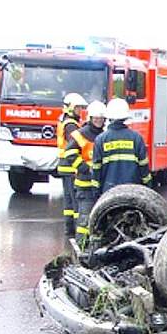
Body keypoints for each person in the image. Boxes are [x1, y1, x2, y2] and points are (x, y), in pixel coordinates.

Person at [58, 101, 106, 243]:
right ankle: (81, 247)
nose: (98, 121)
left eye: (101, 118)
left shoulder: (104, 135)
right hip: (84, 183)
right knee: (84, 220)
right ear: (90, 118)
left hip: (99, 184)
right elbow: (70, 153)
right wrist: (84, 168)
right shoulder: (80, 134)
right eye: (96, 118)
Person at [91, 98, 151, 197]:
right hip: (133, 190)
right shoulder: (136, 138)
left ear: (109, 117)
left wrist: (96, 193)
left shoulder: (100, 140)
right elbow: (144, 167)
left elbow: (96, 169)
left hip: (108, 192)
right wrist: (147, 187)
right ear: (125, 117)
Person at [56, 93, 87, 236]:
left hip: (64, 167)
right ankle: (74, 231)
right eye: (78, 108)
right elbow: (77, 143)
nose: (80, 111)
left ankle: (69, 230)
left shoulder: (65, 121)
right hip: (70, 167)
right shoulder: (71, 125)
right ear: (70, 108)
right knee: (75, 202)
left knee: (69, 202)